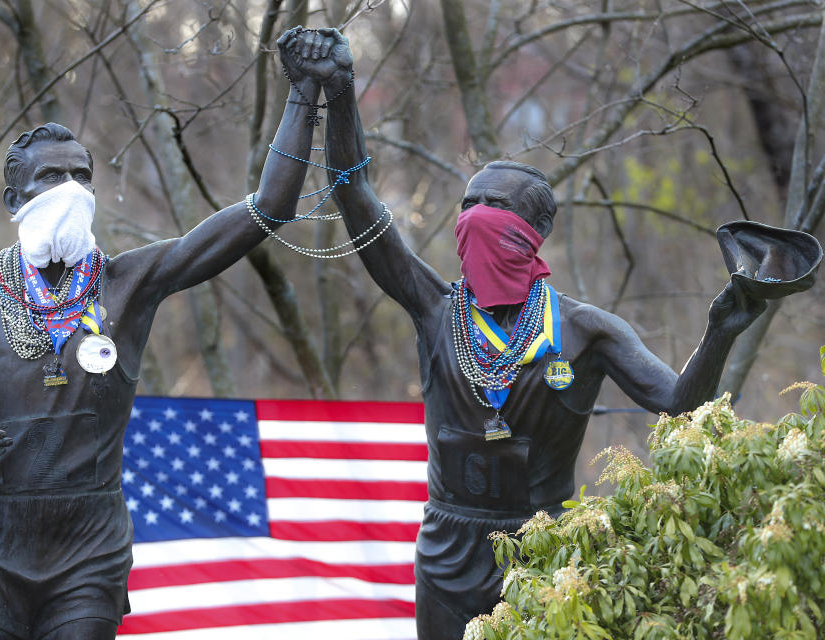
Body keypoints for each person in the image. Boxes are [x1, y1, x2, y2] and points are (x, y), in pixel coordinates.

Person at [313, 30, 770, 639]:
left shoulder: (586, 330)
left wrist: (720, 330)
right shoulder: (433, 306)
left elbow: (679, 405)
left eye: (493, 206)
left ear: (532, 232)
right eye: (467, 204)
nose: (473, 216)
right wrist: (339, 93)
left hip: (544, 551)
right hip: (446, 551)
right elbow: (353, 191)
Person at [0, 28, 341, 640]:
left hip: (89, 546)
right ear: (13, 199)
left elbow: (270, 206)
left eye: (82, 175)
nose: (70, 190)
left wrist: (304, 92)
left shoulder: (130, 282)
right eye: (51, 178)